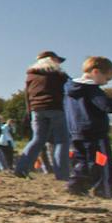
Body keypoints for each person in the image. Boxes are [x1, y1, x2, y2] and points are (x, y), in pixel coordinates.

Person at [64, 57, 112, 199]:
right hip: (95, 133)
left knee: (81, 160)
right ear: (96, 72)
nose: (106, 83)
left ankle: (76, 185)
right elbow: (106, 105)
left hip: (76, 133)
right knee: (103, 161)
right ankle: (104, 189)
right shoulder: (92, 89)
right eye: (107, 79)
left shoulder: (69, 88)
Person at [15, 51, 71, 179]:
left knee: (38, 139)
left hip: (36, 110)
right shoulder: (60, 75)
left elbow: (27, 96)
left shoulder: (31, 75)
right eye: (57, 60)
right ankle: (62, 175)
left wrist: (29, 112)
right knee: (61, 141)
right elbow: (71, 88)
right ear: (52, 60)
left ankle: (21, 169)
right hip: (56, 108)